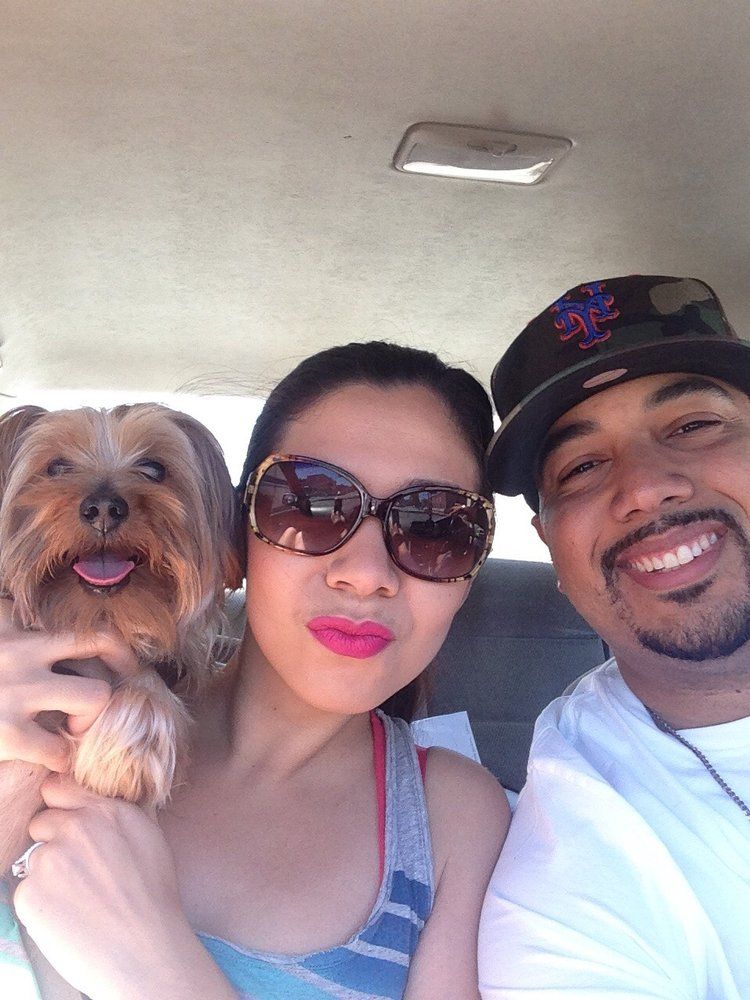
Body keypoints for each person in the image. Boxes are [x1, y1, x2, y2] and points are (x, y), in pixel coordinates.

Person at [0, 341, 509, 1000]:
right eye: (310, 504)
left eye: (436, 526)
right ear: (233, 534)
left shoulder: (452, 821)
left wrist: (163, 973)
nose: (365, 574)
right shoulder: (35, 712)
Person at [478, 275, 750, 999]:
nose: (642, 488)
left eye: (695, 426)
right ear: (550, 547)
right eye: (584, 466)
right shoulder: (575, 861)